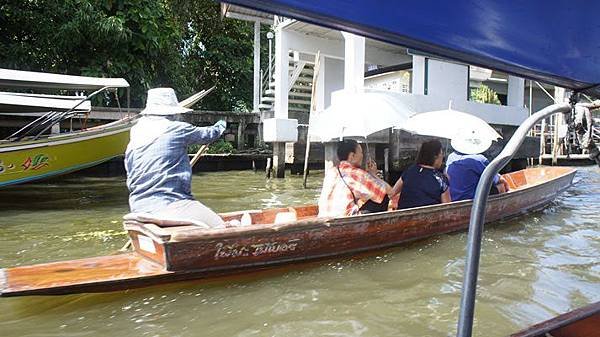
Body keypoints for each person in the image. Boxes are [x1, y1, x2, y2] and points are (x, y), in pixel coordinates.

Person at [125, 87, 227, 229]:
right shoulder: (177, 129)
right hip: (172, 204)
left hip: (138, 206)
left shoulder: (136, 131)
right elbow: (210, 134)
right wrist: (222, 124)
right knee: (221, 227)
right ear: (172, 112)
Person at [318, 139, 400, 217]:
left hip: (324, 216)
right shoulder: (357, 173)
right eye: (360, 152)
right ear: (352, 156)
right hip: (345, 220)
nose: (362, 155)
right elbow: (390, 192)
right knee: (383, 197)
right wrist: (374, 175)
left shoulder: (331, 172)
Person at [445, 131, 510, 201]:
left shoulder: (451, 157)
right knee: (501, 186)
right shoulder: (478, 159)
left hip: (452, 197)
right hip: (471, 198)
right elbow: (498, 180)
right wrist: (506, 185)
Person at [395, 139, 451, 209]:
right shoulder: (441, 179)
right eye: (442, 154)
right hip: (430, 218)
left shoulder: (410, 170)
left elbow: (393, 192)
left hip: (404, 217)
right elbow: (447, 208)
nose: (442, 157)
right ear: (436, 156)